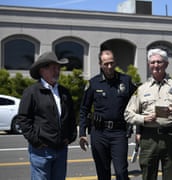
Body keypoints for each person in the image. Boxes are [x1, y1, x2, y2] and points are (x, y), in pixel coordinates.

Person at [124, 48, 172, 180]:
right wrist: (144, 119)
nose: (156, 65)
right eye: (152, 62)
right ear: (149, 65)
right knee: (148, 175)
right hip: (149, 138)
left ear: (166, 64)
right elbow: (128, 114)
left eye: (159, 62)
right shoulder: (142, 88)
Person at [17, 51, 77, 180]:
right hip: (41, 151)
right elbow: (23, 119)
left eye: (58, 68)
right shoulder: (32, 92)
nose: (57, 71)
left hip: (61, 150)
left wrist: (71, 136)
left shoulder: (64, 92)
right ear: (42, 70)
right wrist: (36, 141)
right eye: (53, 68)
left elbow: (71, 116)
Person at [79, 48, 136, 180]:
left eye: (112, 63)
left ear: (115, 63)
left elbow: (138, 103)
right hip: (99, 133)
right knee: (103, 173)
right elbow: (84, 109)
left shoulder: (126, 81)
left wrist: (138, 128)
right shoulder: (93, 83)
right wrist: (82, 133)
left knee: (121, 172)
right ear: (100, 65)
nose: (109, 66)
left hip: (119, 133)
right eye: (106, 64)